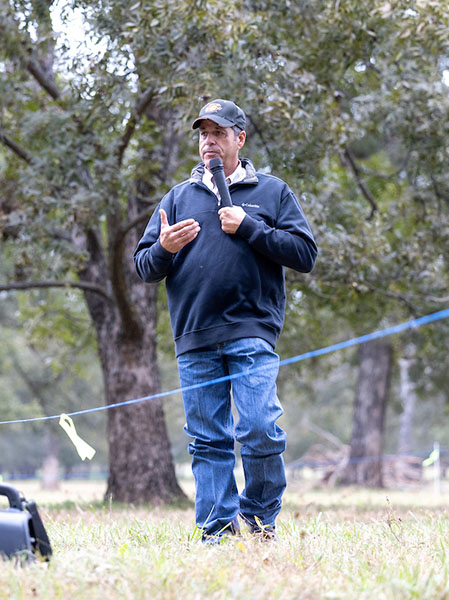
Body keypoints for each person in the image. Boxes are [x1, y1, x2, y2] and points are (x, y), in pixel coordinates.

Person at [134, 99, 317, 543]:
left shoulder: (271, 192)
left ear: (240, 138)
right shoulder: (178, 198)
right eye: (203, 134)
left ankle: (257, 523)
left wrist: (250, 228)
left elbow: (305, 254)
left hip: (251, 332)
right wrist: (165, 249)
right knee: (208, 442)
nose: (209, 141)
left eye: (219, 132)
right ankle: (217, 533)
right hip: (194, 339)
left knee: (259, 429)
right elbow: (143, 266)